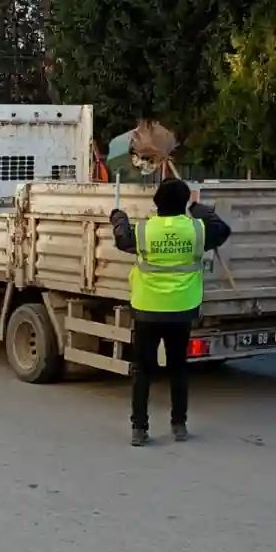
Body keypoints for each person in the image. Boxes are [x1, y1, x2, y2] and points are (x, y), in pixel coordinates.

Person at [110, 178, 232, 445]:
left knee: (143, 370)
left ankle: (139, 429)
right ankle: (179, 425)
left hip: (147, 309)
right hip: (182, 309)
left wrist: (118, 218)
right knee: (178, 367)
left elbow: (122, 239)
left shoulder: (144, 231)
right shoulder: (197, 231)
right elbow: (222, 229)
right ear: (184, 202)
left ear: (156, 203)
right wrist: (199, 209)